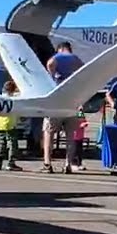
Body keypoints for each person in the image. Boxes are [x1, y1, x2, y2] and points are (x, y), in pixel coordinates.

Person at [40, 41, 84, 174]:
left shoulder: (60, 56)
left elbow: (50, 63)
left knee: (49, 133)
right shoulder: (76, 60)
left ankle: (48, 163)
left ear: (60, 48)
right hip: (72, 102)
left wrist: (52, 75)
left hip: (57, 102)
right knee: (71, 136)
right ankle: (68, 164)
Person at [0, 80, 23, 171]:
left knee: (0, 143)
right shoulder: (14, 99)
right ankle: (11, 163)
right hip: (10, 124)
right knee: (12, 144)